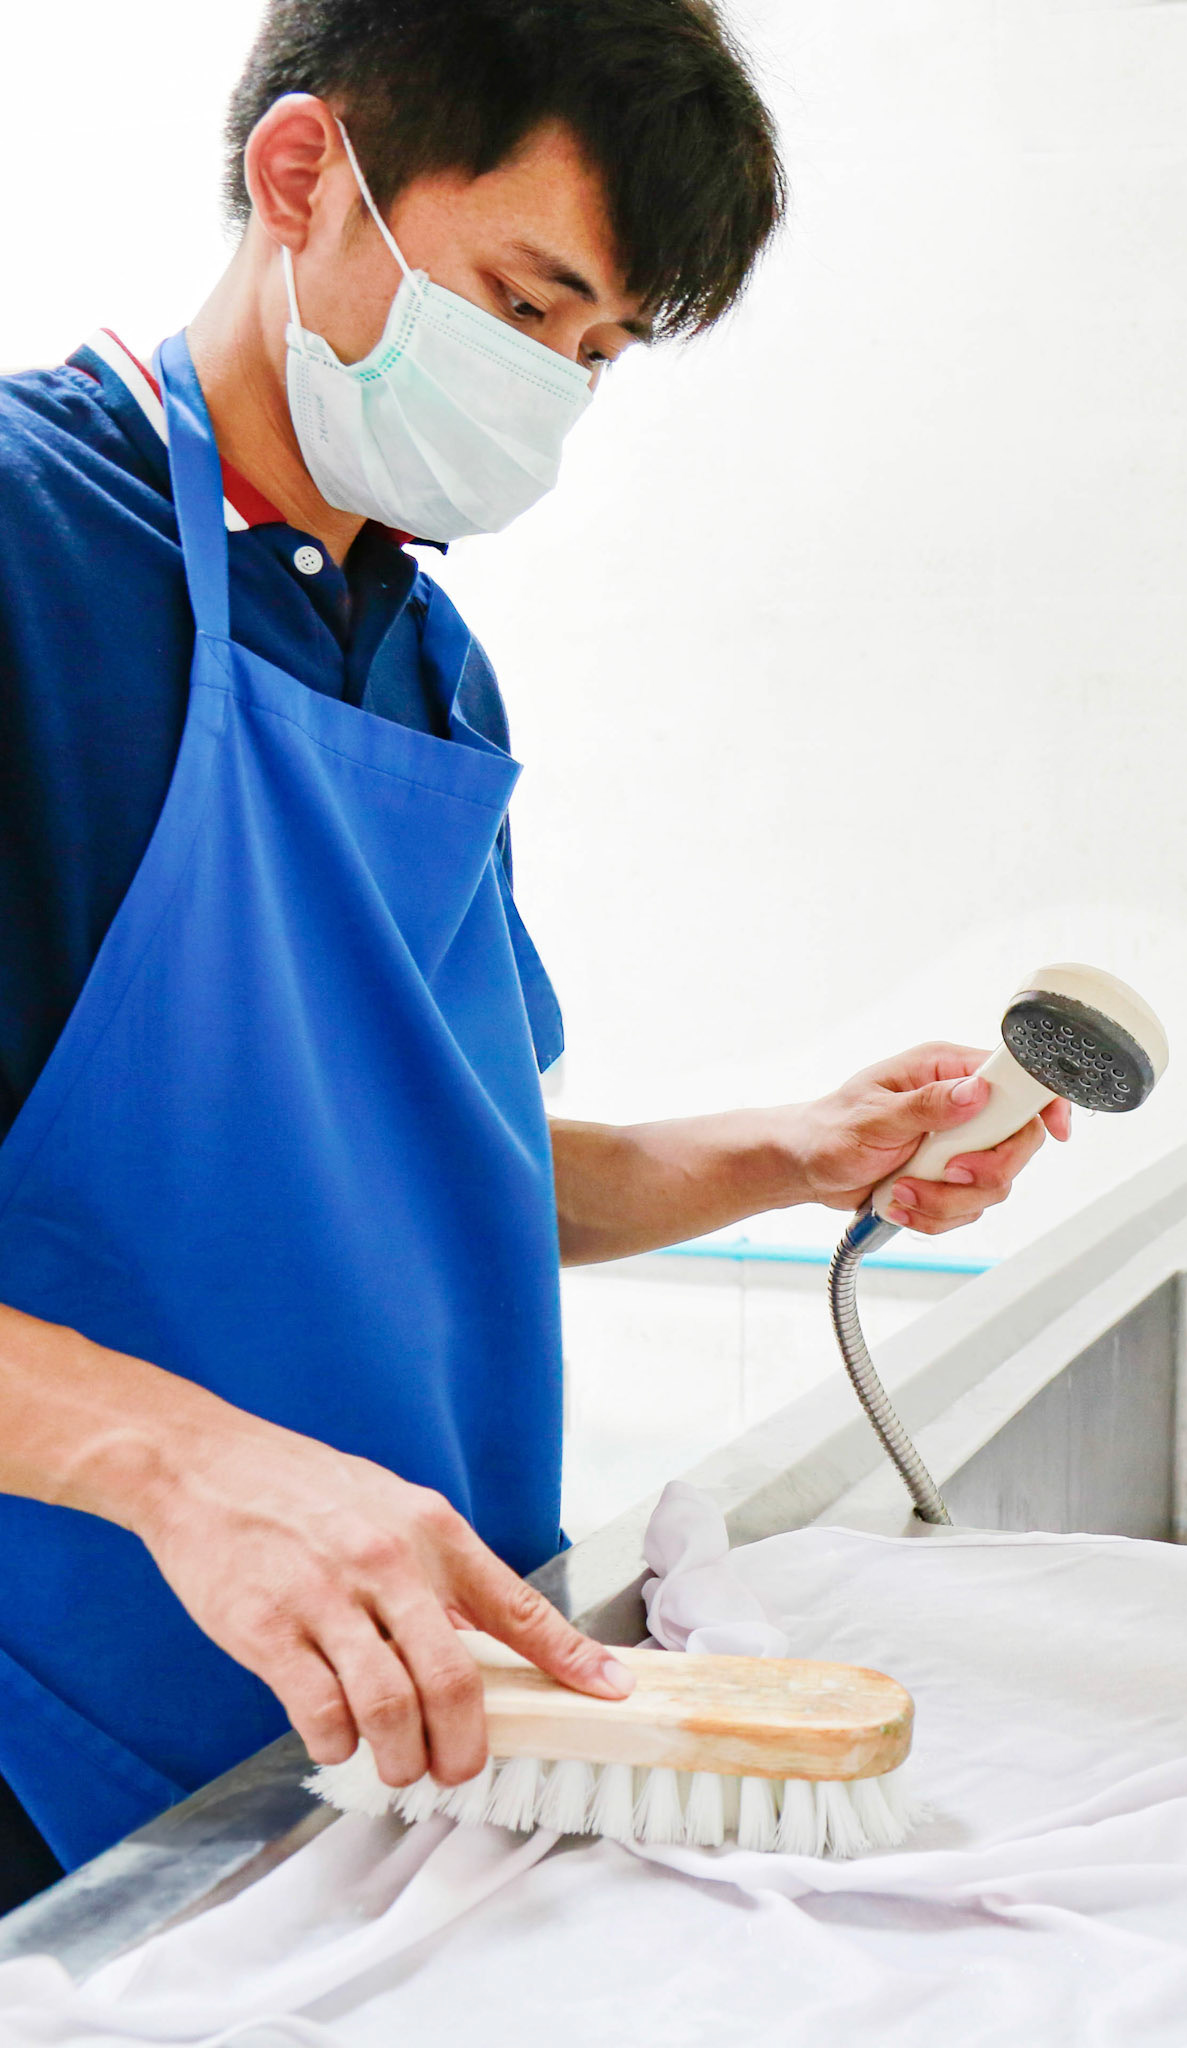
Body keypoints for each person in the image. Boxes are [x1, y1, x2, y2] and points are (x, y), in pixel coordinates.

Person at [0, 0, 1070, 1912]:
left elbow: (425, 1179)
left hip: (410, 1743)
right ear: (305, 177)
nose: (551, 394)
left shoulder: (424, 657)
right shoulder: (25, 555)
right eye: (520, 305)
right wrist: (184, 1465)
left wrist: (788, 1148)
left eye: (595, 355)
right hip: (59, 1746)